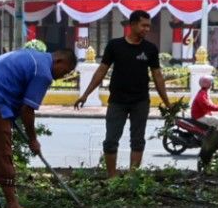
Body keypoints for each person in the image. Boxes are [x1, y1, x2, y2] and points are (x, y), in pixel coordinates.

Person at [0, 44, 77, 208]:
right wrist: (33, 139)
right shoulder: (43, 73)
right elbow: (27, 110)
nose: (61, 76)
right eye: (64, 71)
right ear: (59, 60)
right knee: (1, 149)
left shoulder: (35, 56)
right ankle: (12, 207)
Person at [73, 11, 172, 175]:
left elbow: (158, 77)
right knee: (111, 140)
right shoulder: (114, 45)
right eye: (144, 25)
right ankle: (112, 178)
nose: (147, 29)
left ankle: (131, 179)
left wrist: (167, 103)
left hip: (140, 102)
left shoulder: (150, 49)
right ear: (132, 25)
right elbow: (101, 71)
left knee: (138, 141)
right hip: (117, 101)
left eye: (149, 26)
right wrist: (85, 94)